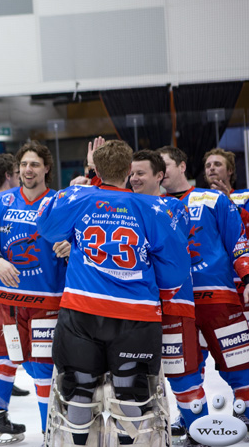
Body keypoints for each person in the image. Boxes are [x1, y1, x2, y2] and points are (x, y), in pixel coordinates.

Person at [37, 140, 191, 446]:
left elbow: (48, 228)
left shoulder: (77, 197)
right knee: (131, 393)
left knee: (79, 393)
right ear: (129, 171)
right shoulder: (154, 207)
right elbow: (174, 270)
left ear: (96, 168)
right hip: (136, 316)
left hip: (81, 312)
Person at [0, 141, 69, 441]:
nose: (28, 170)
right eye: (24, 165)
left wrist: (72, 246)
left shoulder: (61, 202)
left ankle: (47, 431)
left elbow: (86, 238)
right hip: (6, 302)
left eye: (35, 164)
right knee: (3, 357)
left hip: (46, 302)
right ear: (17, 169)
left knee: (42, 368)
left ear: (46, 169)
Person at [158, 145, 249, 432]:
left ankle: (246, 412)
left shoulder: (211, 199)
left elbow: (239, 242)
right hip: (174, 302)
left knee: (239, 361)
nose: (160, 173)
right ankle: (193, 421)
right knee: (183, 368)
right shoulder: (153, 206)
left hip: (217, 296)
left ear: (182, 166)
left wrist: (247, 279)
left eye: (165, 166)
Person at [129, 150, 206, 446]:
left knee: (182, 374)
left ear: (159, 176)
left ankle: (200, 433)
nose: (134, 178)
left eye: (141, 173)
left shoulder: (172, 208)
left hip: (173, 305)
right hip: (137, 309)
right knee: (138, 377)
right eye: (131, 173)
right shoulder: (125, 206)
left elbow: (171, 263)